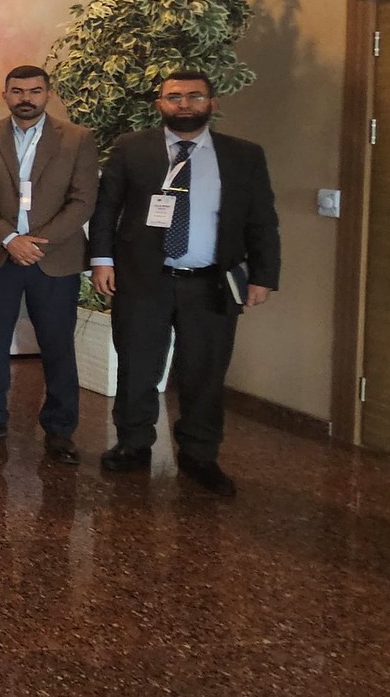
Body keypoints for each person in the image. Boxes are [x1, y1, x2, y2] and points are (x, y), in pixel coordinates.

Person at [91, 72, 281, 497]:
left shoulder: (243, 155)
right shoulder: (131, 148)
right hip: (144, 279)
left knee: (205, 373)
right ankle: (133, 443)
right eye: (174, 96)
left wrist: (263, 276)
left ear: (212, 103)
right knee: (137, 366)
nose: (184, 104)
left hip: (210, 283)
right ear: (159, 104)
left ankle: (199, 454)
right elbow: (107, 208)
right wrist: (101, 260)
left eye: (194, 96)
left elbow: (262, 220)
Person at [0, 64, 99, 463]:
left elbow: (83, 200)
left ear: (47, 94)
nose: (26, 98)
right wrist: (10, 239)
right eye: (17, 91)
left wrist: (38, 243)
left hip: (53, 258)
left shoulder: (77, 138)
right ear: (5, 95)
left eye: (34, 91)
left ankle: (60, 429)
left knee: (57, 344)